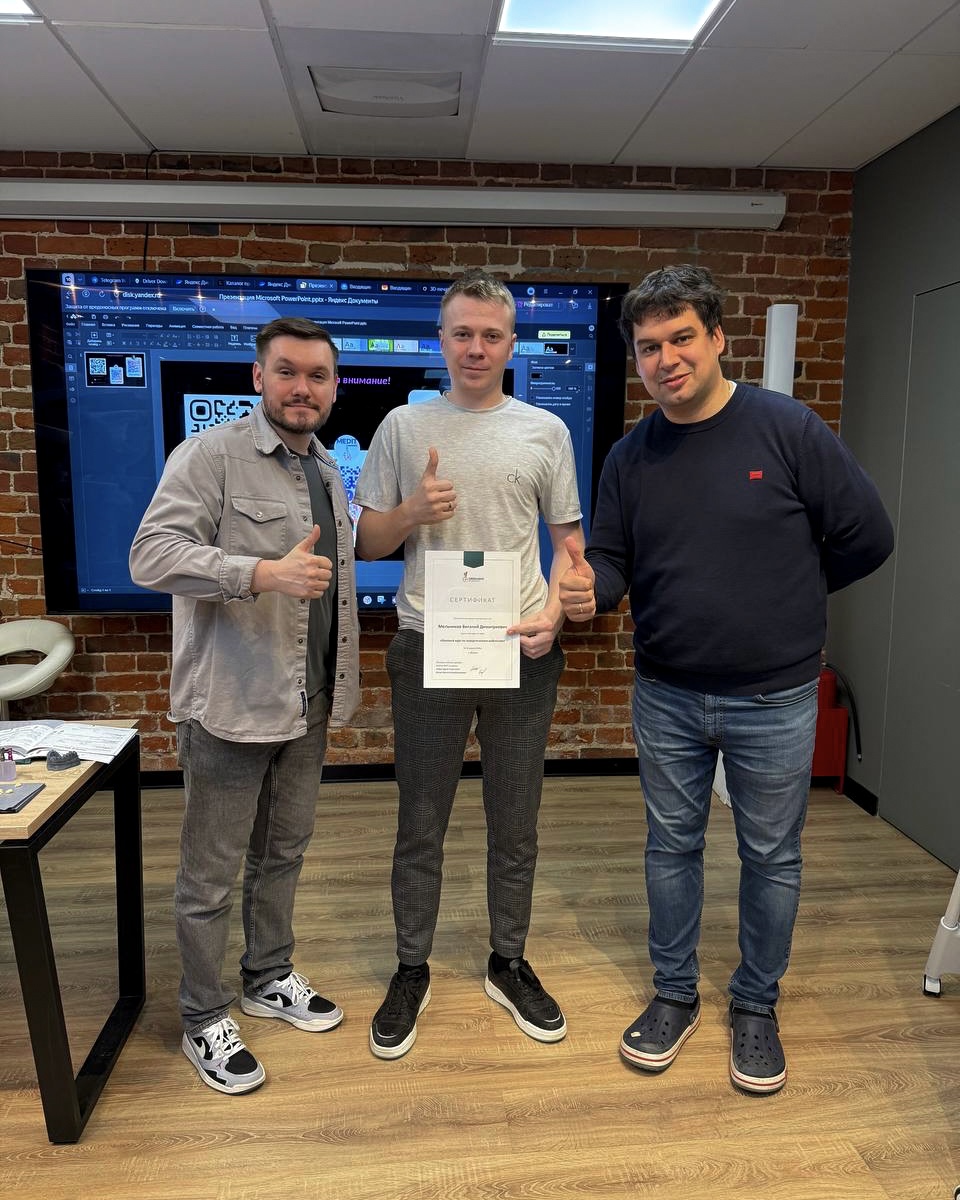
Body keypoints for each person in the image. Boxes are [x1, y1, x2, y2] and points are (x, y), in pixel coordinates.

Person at [559, 264, 893, 1094]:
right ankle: (675, 994)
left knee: (771, 855)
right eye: (648, 348)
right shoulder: (631, 456)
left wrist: (792, 594)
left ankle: (755, 1004)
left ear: (716, 338)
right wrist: (590, 592)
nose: (665, 359)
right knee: (670, 847)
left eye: (681, 339)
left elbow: (868, 536)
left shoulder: (787, 429)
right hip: (666, 692)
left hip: (776, 696)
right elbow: (612, 560)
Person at [353, 270, 584, 1059]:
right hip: (429, 645)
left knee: (515, 822)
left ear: (512, 344)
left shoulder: (545, 431)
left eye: (491, 334)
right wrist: (411, 513)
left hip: (521, 646)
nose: (476, 347)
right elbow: (367, 541)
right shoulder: (402, 426)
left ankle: (507, 961)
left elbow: (571, 548)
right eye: (462, 333)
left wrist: (556, 615)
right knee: (421, 822)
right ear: (441, 341)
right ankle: (410, 967)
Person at [130, 317, 360, 1095]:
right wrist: (260, 574)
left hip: (306, 701)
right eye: (287, 372)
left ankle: (267, 976)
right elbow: (150, 556)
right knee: (209, 878)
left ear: (334, 387)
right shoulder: (209, 456)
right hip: (231, 705)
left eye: (318, 375)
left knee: (284, 853)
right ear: (258, 378)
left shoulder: (326, 468)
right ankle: (203, 1015)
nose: (302, 388)